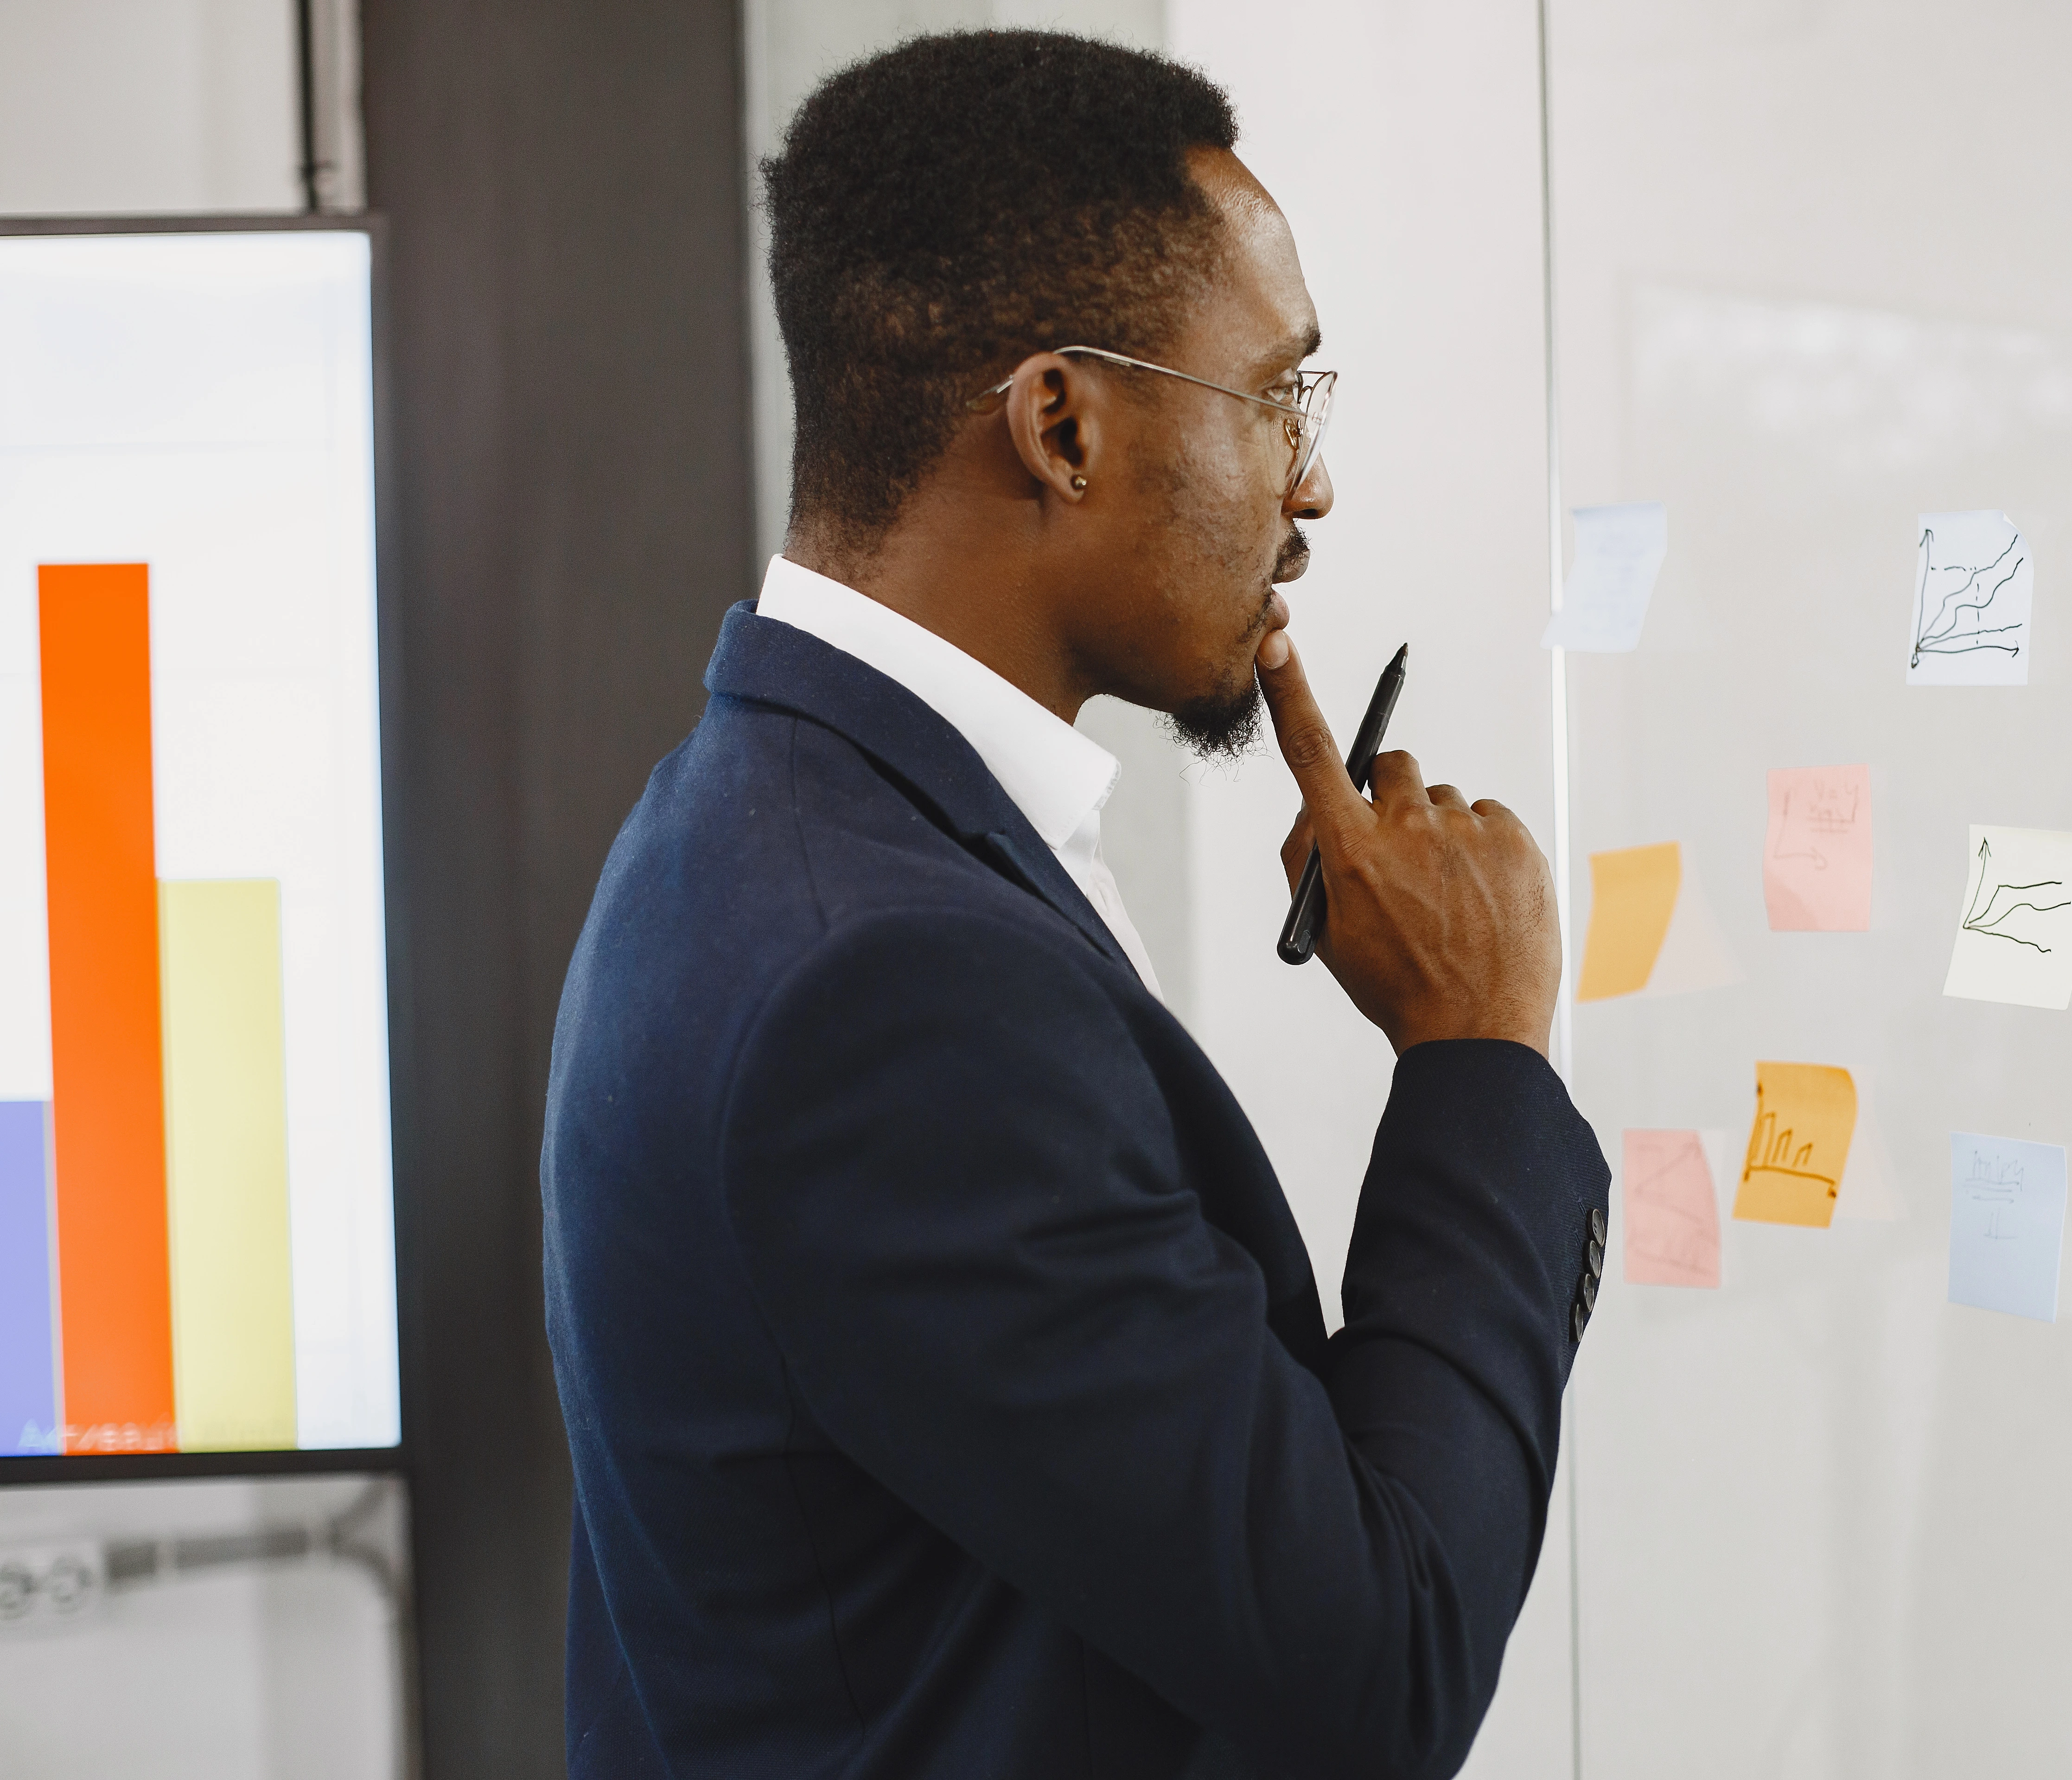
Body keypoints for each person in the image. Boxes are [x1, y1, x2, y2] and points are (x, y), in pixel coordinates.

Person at [541, 29, 1610, 1780]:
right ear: (1062, 424)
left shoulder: (758, 822)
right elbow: (1378, 1657)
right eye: (1280, 395)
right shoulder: (894, 988)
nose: (1314, 481)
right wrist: (1477, 1051)